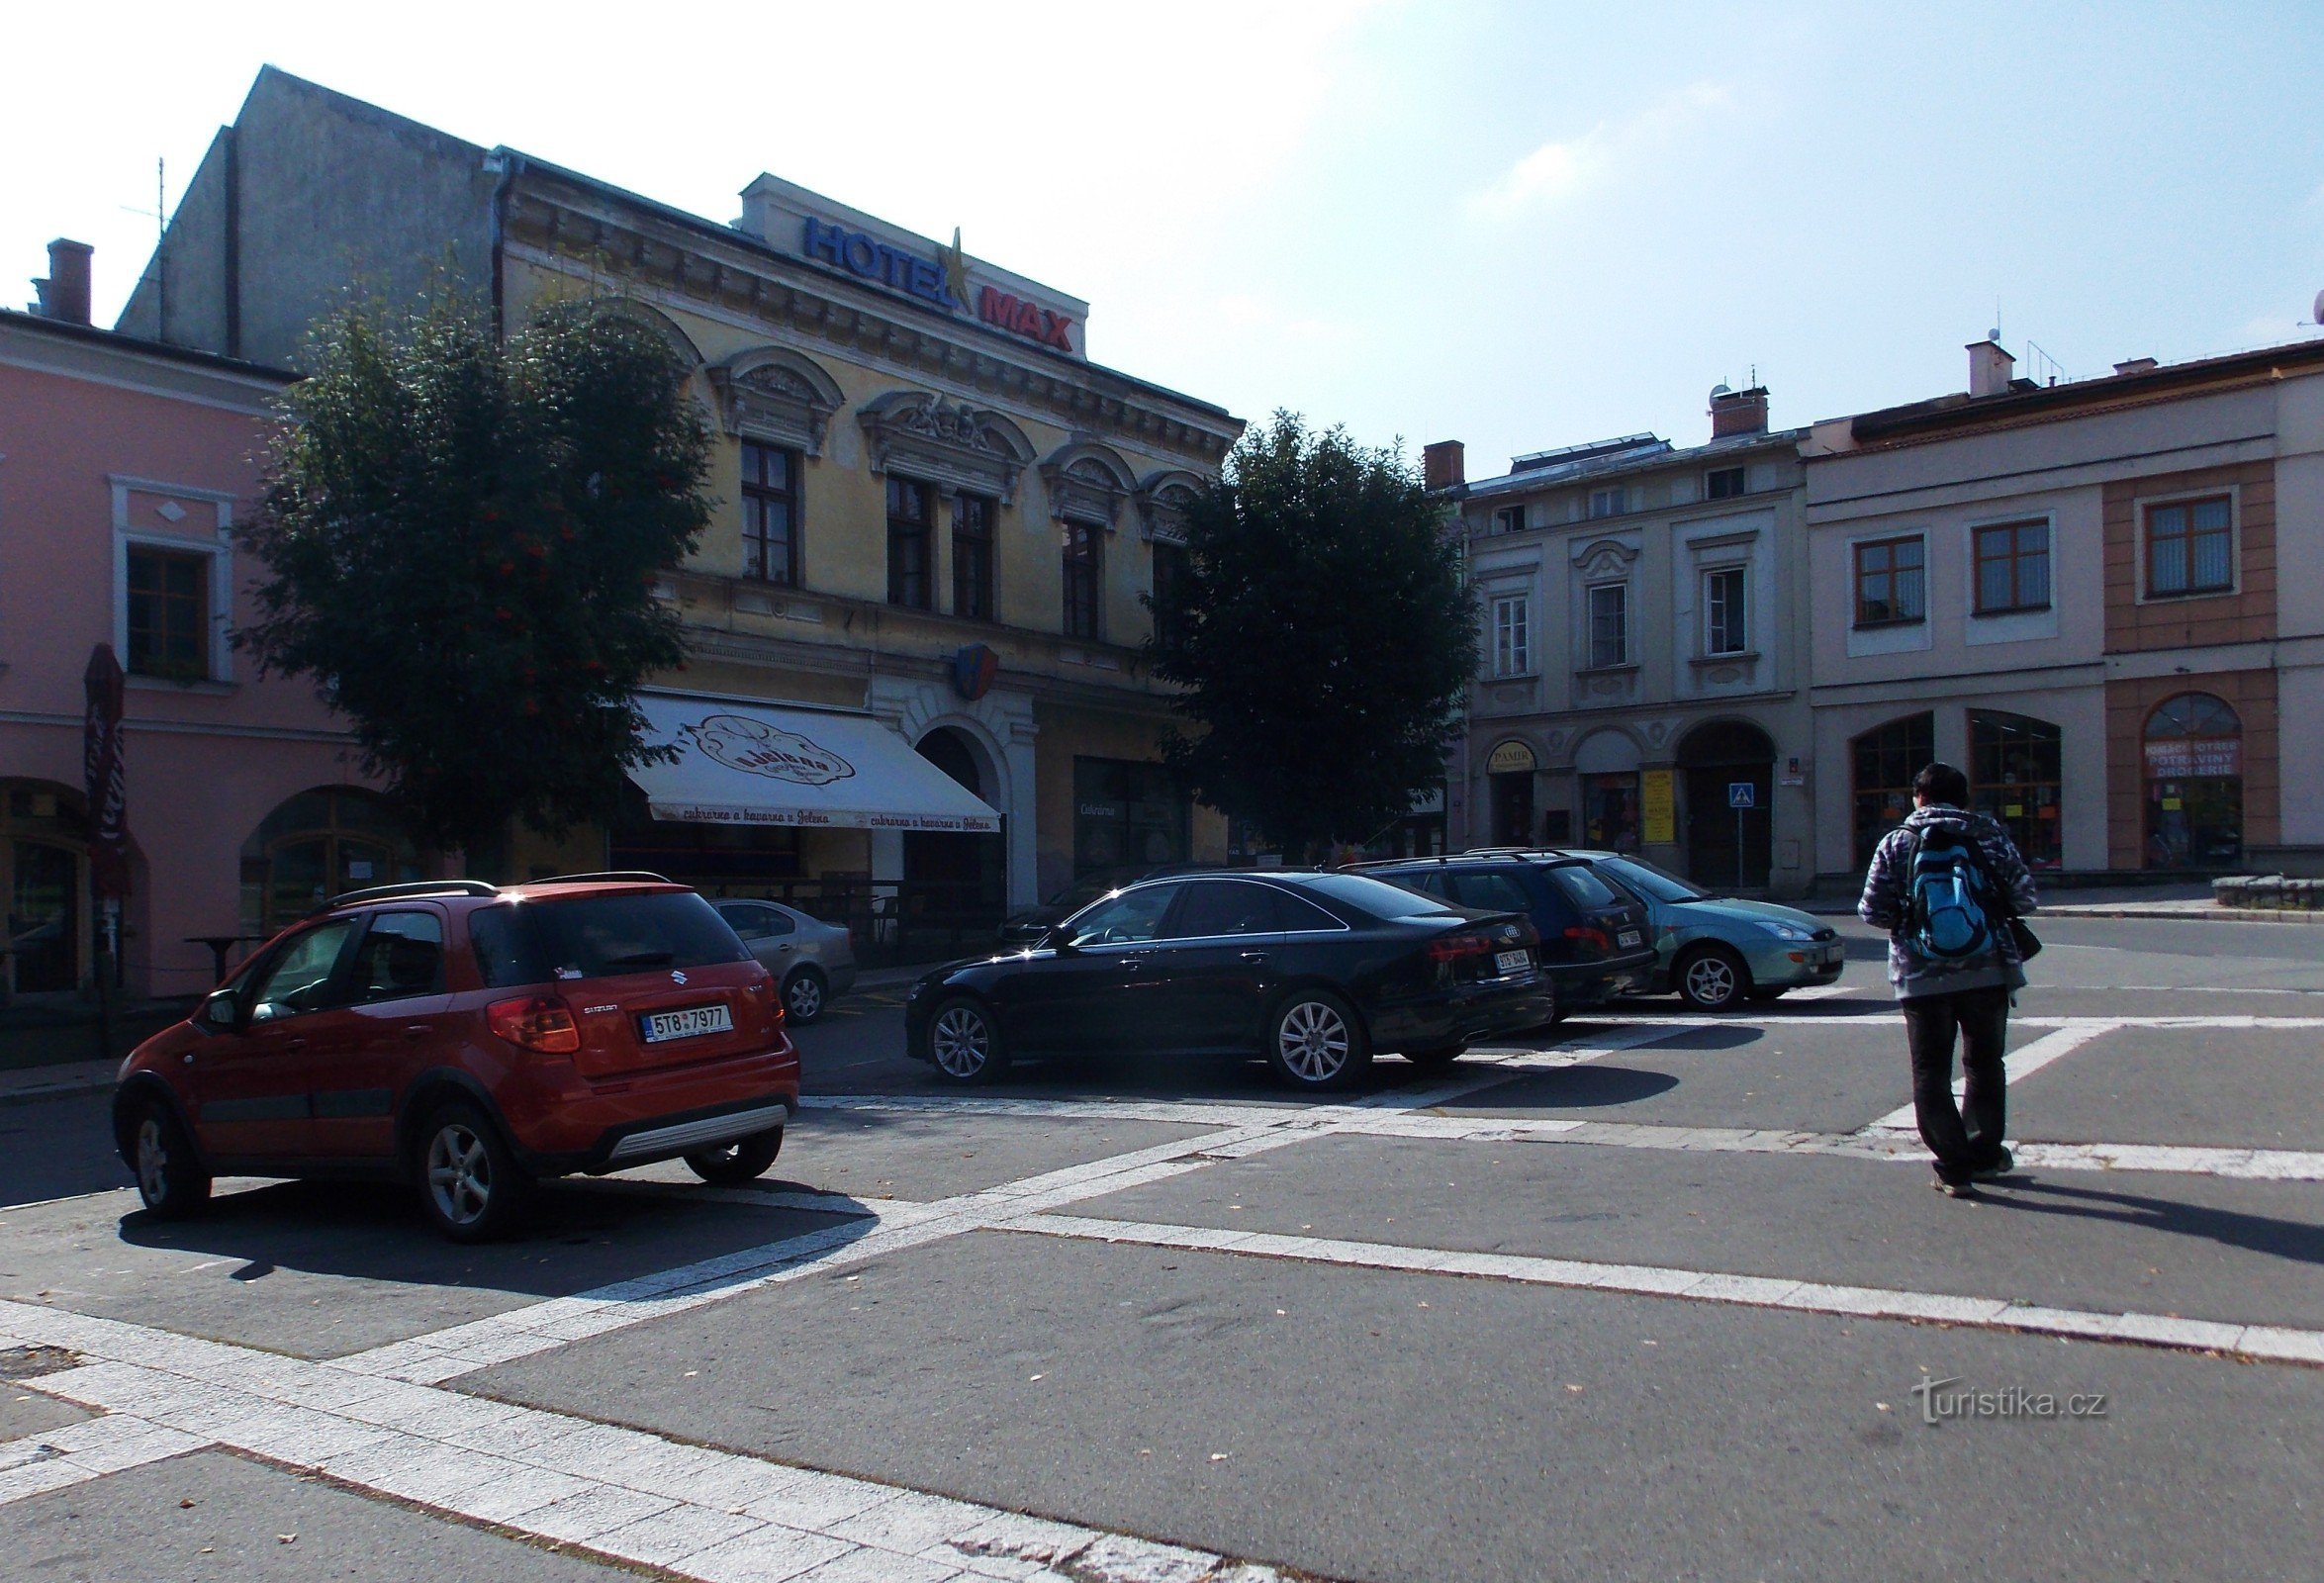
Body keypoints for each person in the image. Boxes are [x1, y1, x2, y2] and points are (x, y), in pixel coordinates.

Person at [1858, 762, 2039, 1196]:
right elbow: (2025, 897)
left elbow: (1871, 910)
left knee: (1930, 1071)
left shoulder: (1897, 842)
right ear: (1964, 799)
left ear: (1917, 797)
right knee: (1984, 1065)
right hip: (1987, 971)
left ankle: (1954, 1168)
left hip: (1921, 978)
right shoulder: (1989, 836)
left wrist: (1912, 922)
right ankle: (1984, 1154)